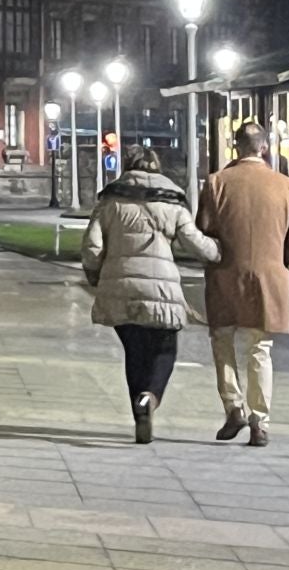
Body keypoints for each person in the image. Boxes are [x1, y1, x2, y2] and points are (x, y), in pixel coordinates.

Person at [81, 148, 220, 443]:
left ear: (128, 167)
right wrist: (220, 252)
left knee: (135, 352)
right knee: (165, 348)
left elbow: (92, 247)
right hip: (161, 289)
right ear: (157, 169)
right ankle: (150, 397)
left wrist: (94, 275)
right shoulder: (172, 203)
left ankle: (138, 410)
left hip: (120, 289)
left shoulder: (110, 201)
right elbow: (196, 244)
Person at [197, 121, 289, 448]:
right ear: (264, 147)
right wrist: (281, 261)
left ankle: (234, 407)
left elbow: (203, 229)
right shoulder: (286, 185)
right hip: (269, 275)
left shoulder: (217, 182)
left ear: (236, 147)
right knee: (260, 348)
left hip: (225, 273)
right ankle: (260, 421)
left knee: (222, 340)